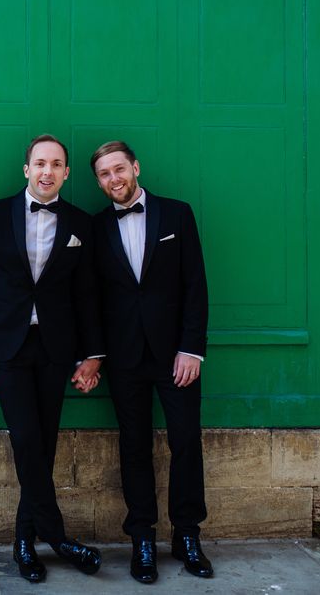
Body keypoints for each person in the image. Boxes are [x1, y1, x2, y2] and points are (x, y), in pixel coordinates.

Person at [0, 134, 104, 583]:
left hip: (55, 349)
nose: (47, 171)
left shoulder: (82, 223)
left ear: (66, 173)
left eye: (57, 164)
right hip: (6, 346)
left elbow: (88, 296)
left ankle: (25, 542)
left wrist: (92, 356)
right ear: (26, 169)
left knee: (44, 444)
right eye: (40, 163)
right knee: (26, 439)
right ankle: (58, 536)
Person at [90, 140, 212, 583]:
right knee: (134, 447)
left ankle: (187, 535)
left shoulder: (177, 214)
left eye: (118, 169)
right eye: (104, 174)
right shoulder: (96, 227)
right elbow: (92, 299)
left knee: (185, 442)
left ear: (135, 167)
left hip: (175, 356)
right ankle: (142, 538)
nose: (113, 180)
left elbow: (195, 285)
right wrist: (95, 356)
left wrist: (191, 348)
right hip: (124, 358)